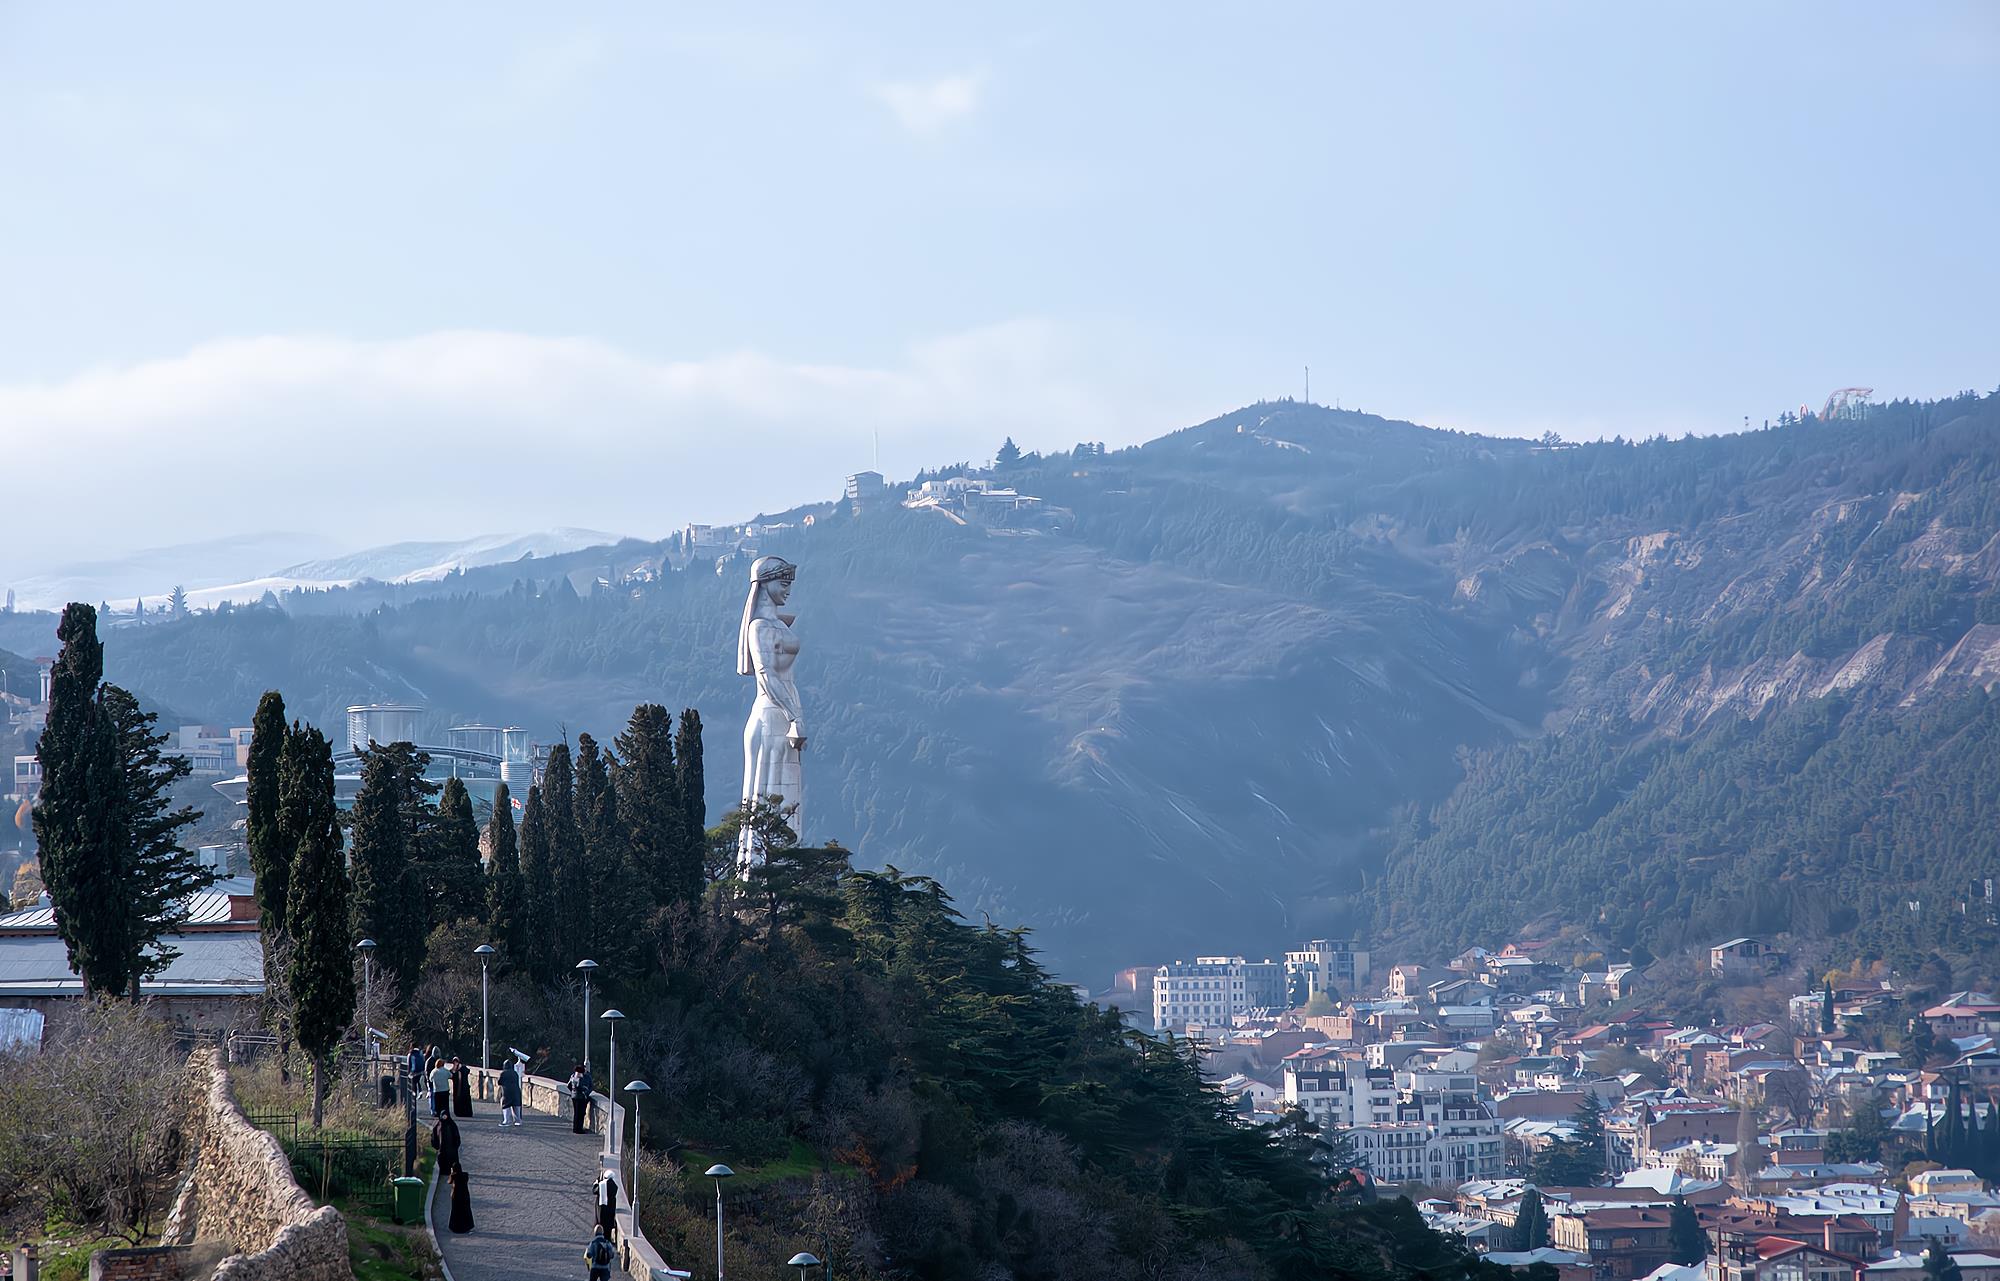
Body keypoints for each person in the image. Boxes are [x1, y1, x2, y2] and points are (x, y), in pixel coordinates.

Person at [448, 1161, 475, 1234]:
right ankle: (467, 1226)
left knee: (456, 1212)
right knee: (465, 1211)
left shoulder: (453, 1176)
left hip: (456, 1196)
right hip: (465, 1195)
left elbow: (449, 1182)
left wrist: (451, 1173)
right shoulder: (465, 1175)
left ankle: (456, 1227)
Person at [595, 1170, 620, 1242]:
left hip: (603, 1208)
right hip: (611, 1208)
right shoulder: (615, 1186)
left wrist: (596, 1182)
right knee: (609, 1225)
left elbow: (595, 1190)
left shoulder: (602, 1184)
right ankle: (608, 1238)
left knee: (602, 1223)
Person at [498, 1058, 523, 1127]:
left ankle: (506, 1120)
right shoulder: (515, 1073)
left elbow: (499, 1082)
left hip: (507, 1092)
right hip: (516, 1092)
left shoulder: (503, 1073)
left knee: (506, 1106)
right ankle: (518, 1120)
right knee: (516, 1106)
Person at [567, 1063, 589, 1134]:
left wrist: (572, 1092)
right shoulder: (580, 1077)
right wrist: (584, 1091)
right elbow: (579, 1086)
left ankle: (575, 1128)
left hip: (574, 1097)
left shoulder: (573, 1076)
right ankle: (579, 1129)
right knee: (581, 1113)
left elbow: (569, 1085)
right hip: (580, 1097)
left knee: (576, 1113)